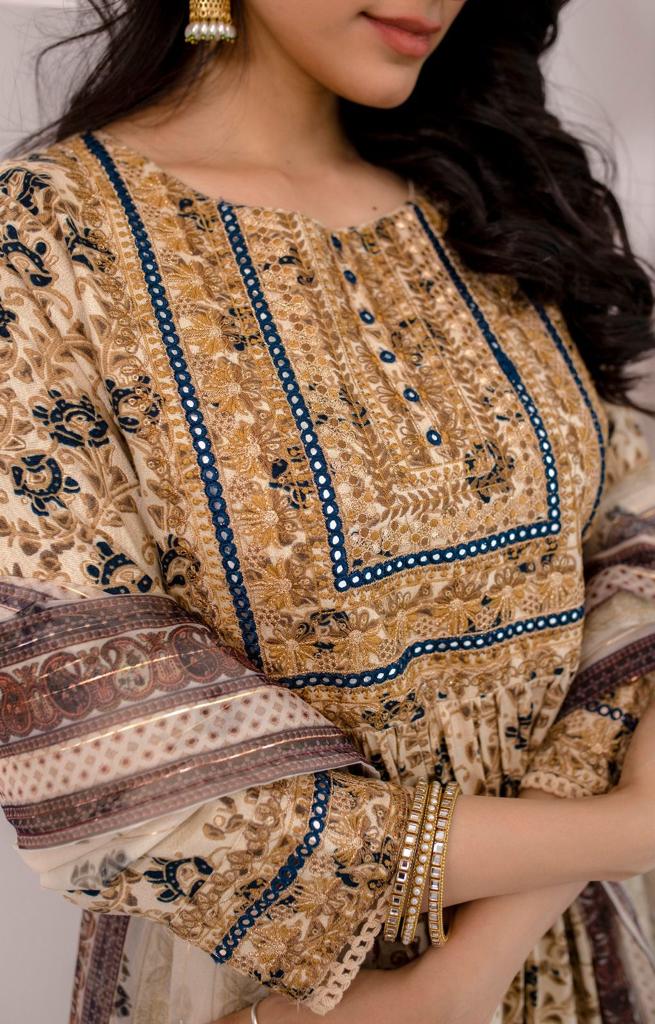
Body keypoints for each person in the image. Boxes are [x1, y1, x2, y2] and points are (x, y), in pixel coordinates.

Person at [0, 1, 654, 1021]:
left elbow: (630, 557)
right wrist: (623, 830)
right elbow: (111, 767)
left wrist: (466, 969)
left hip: (565, 949)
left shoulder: (491, 199)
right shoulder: (44, 244)